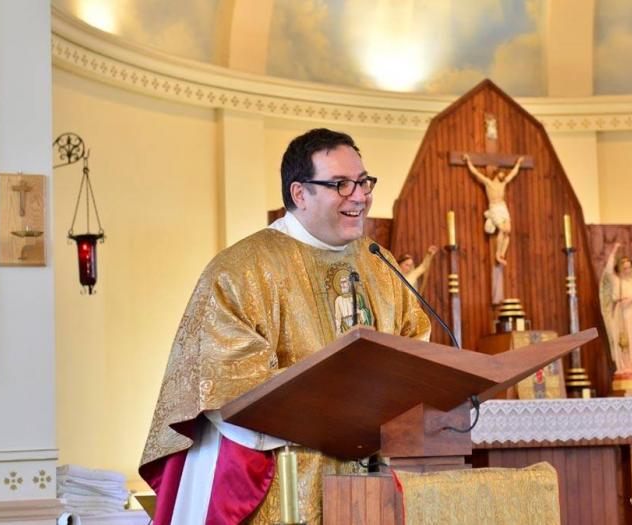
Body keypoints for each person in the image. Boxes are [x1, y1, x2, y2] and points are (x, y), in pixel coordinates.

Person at [139, 129, 431, 524]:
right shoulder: (242, 269)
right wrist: (340, 408)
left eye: (363, 182)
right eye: (341, 185)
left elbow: (415, 343)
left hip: (366, 480)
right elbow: (227, 385)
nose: (360, 196)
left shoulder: (380, 265)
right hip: (283, 479)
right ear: (299, 193)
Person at [463, 154, 523, 265]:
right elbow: (476, 173)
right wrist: (468, 161)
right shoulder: (488, 182)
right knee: (502, 230)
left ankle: (502, 254)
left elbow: (513, 174)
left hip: (503, 207)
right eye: (502, 173)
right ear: (497, 173)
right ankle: (498, 254)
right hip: (494, 208)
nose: (504, 175)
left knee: (508, 231)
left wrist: (518, 163)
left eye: (504, 174)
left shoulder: (503, 183)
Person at [599, 242, 632, 375]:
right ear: (620, 269)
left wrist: (630, 300)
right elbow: (607, 270)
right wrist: (614, 251)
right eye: (624, 268)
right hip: (620, 313)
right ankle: (624, 367)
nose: (627, 270)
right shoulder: (616, 281)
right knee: (621, 338)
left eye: (629, 268)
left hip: (631, 313)